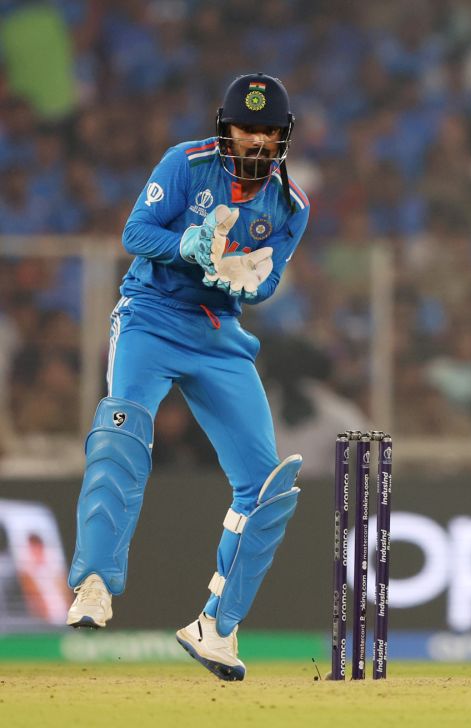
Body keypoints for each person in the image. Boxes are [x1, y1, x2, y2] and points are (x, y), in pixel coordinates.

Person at [65, 73, 310, 682]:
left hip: (219, 338)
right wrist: (193, 245)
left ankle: (217, 629)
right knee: (123, 428)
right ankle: (95, 581)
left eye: (267, 132)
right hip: (149, 315)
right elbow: (135, 234)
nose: (256, 142)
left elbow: (268, 279)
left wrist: (246, 277)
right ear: (224, 128)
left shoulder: (292, 206)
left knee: (268, 485)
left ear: (283, 137)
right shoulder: (186, 162)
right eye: (246, 129)